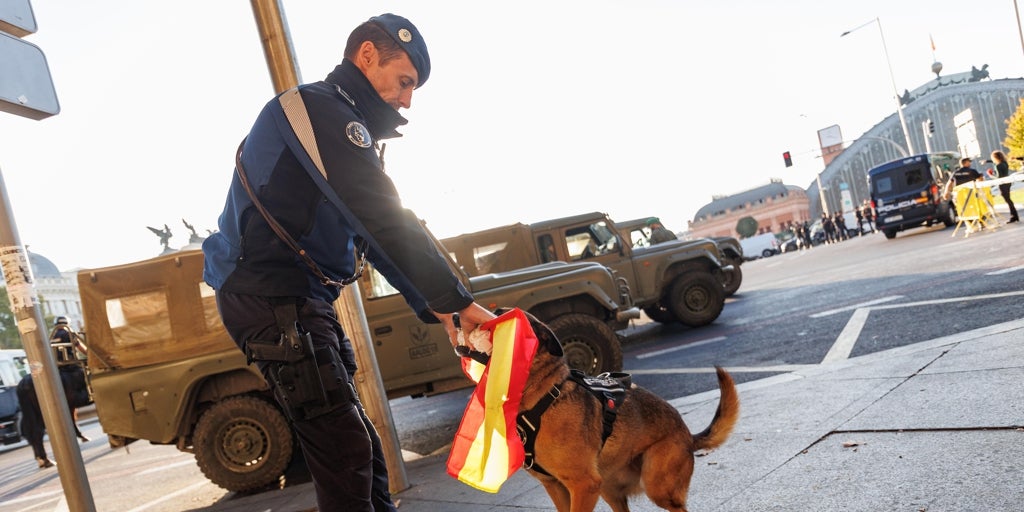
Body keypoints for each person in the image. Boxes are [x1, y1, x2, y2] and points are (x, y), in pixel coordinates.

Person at [201, 14, 495, 511]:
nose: (406, 100)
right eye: (404, 82)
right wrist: (457, 301)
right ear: (365, 56)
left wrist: (444, 309)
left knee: (360, 447)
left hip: (298, 298)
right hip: (270, 296)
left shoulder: (343, 123)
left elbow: (376, 232)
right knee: (344, 449)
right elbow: (380, 214)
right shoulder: (317, 110)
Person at [50, 316, 90, 443]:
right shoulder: (69, 333)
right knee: (92, 381)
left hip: (59, 369)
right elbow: (82, 349)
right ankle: (89, 395)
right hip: (72, 367)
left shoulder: (51, 335)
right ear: (67, 324)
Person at [990, 150, 1019, 223]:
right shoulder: (1005, 163)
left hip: (1002, 184)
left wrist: (991, 174)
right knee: (1009, 200)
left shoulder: (998, 166)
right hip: (1008, 182)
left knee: (1008, 200)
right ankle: (1014, 215)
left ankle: (1014, 216)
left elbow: (998, 177)